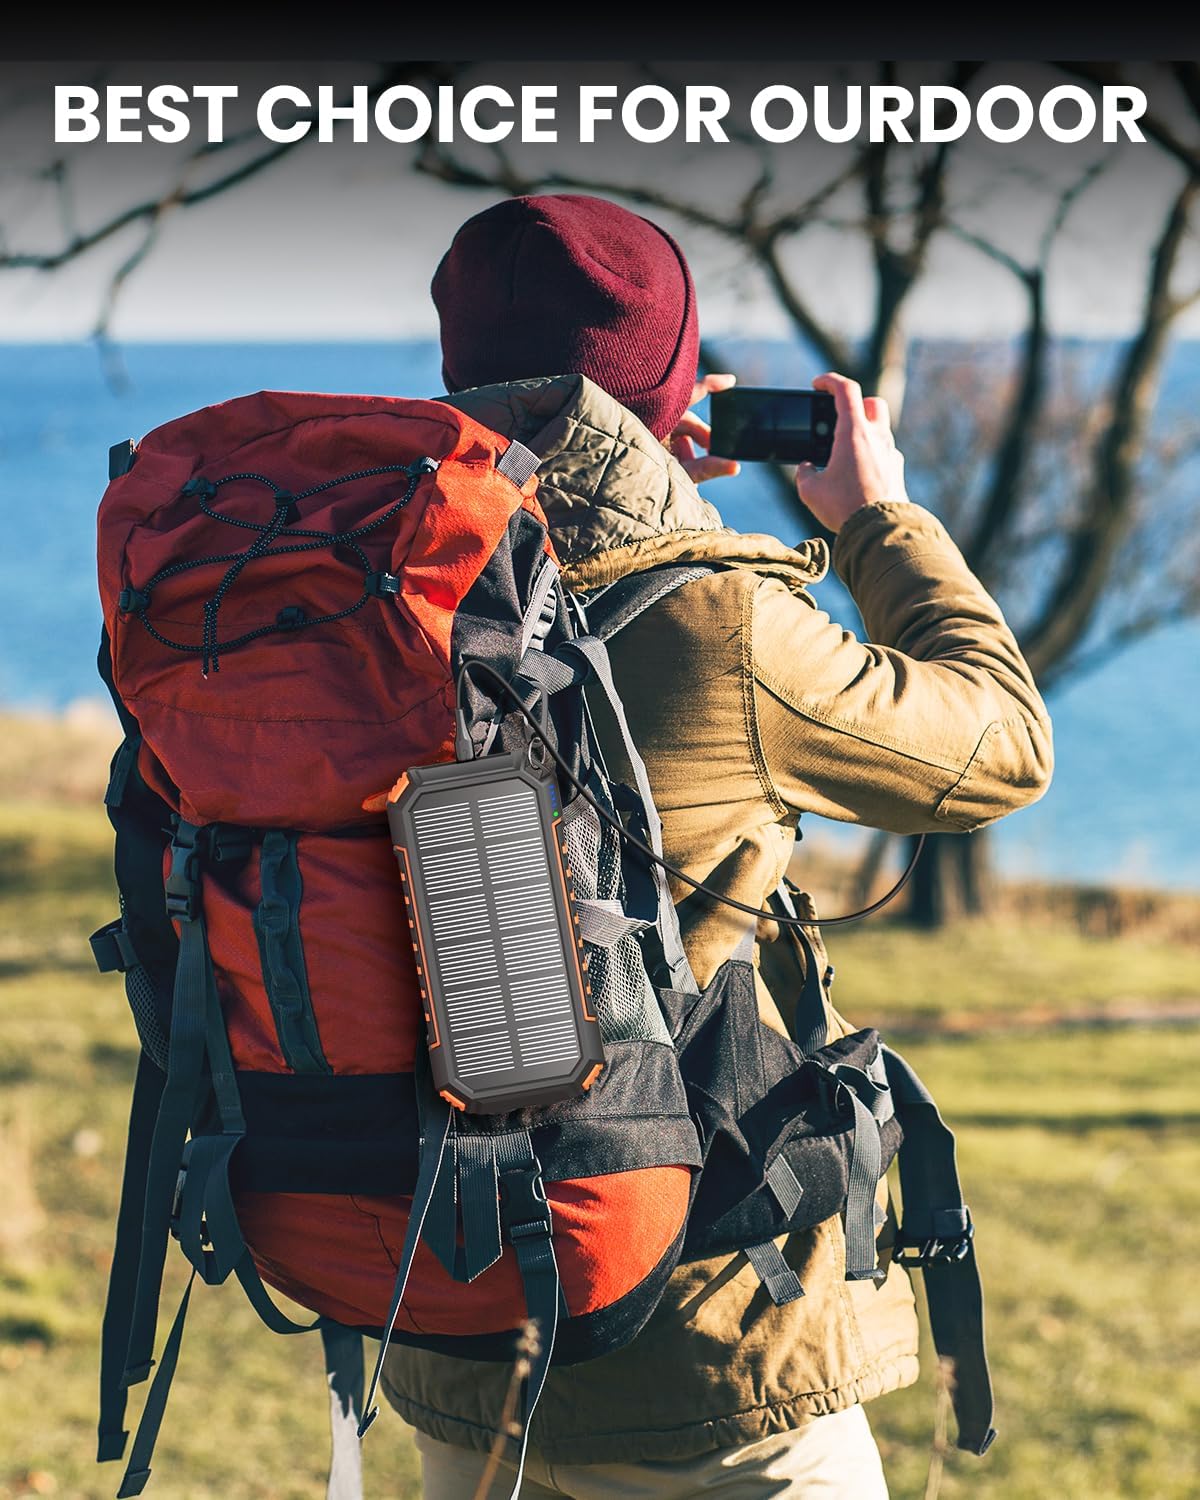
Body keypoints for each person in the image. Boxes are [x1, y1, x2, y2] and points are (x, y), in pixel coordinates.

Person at [380, 192, 1054, 1498]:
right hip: (699, 1347)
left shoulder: (385, 594)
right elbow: (1002, 746)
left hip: (453, 1328)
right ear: (676, 404)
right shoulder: (719, 623)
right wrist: (877, 518)